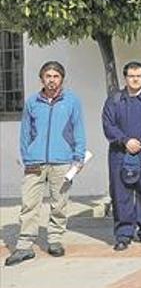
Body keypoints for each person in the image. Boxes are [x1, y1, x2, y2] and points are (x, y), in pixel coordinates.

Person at [5, 62, 86, 267]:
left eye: (56, 76)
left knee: (59, 202)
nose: (51, 80)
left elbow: (78, 130)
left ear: (62, 79)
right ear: (42, 79)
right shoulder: (32, 102)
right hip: (35, 161)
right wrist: (27, 155)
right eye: (48, 76)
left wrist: (78, 157)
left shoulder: (72, 101)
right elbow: (25, 132)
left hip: (62, 161)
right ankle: (24, 246)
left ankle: (55, 240)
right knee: (29, 203)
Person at [102, 61, 141, 251]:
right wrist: (124, 141)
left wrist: (140, 141)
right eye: (131, 76)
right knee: (121, 195)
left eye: (138, 75)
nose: (135, 79)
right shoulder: (114, 100)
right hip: (119, 154)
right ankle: (123, 234)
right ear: (125, 78)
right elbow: (108, 125)